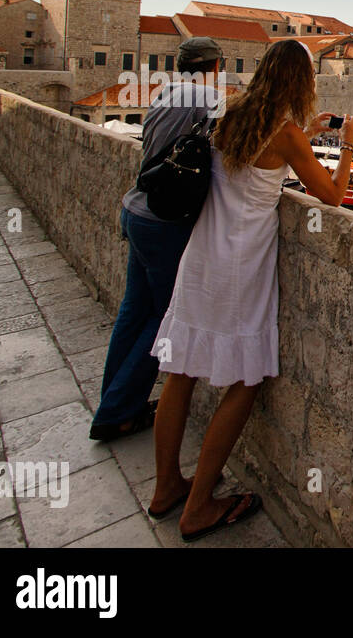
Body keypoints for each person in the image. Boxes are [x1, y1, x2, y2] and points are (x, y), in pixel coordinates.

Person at [148, 39, 353, 541]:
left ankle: (166, 488)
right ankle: (198, 509)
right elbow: (332, 196)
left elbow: (254, 157)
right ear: (300, 83)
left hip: (200, 260)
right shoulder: (285, 134)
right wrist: (346, 145)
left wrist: (303, 133)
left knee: (179, 373)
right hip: (240, 270)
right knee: (246, 381)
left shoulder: (232, 113)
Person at [90, 37, 225, 442]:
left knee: (133, 311)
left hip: (136, 207)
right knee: (163, 317)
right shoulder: (207, 96)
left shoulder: (164, 91)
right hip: (165, 222)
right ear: (214, 66)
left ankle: (113, 401)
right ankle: (116, 413)